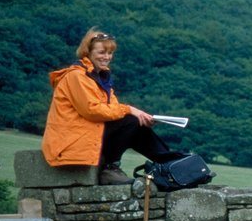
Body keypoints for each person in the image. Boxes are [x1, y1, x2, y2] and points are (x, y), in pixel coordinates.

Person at [41, 28, 170, 185]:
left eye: (110, 53)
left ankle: (171, 162)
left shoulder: (100, 77)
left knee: (136, 124)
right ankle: (111, 168)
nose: (107, 57)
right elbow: (92, 111)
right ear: (87, 52)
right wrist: (130, 110)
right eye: (102, 52)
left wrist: (142, 117)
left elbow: (113, 109)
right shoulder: (76, 76)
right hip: (71, 141)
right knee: (130, 120)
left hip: (87, 133)